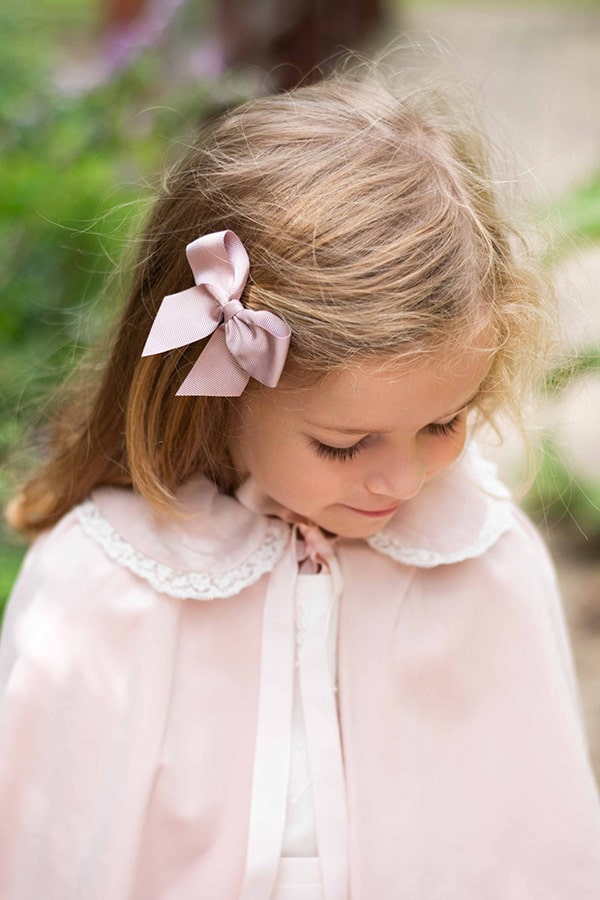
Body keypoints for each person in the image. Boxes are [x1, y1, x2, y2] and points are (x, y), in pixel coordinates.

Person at [1, 68, 600, 900]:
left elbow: (542, 850)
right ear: (222, 385)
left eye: (442, 423)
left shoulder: (485, 565)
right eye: (344, 445)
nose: (402, 478)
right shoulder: (106, 589)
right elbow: (50, 853)